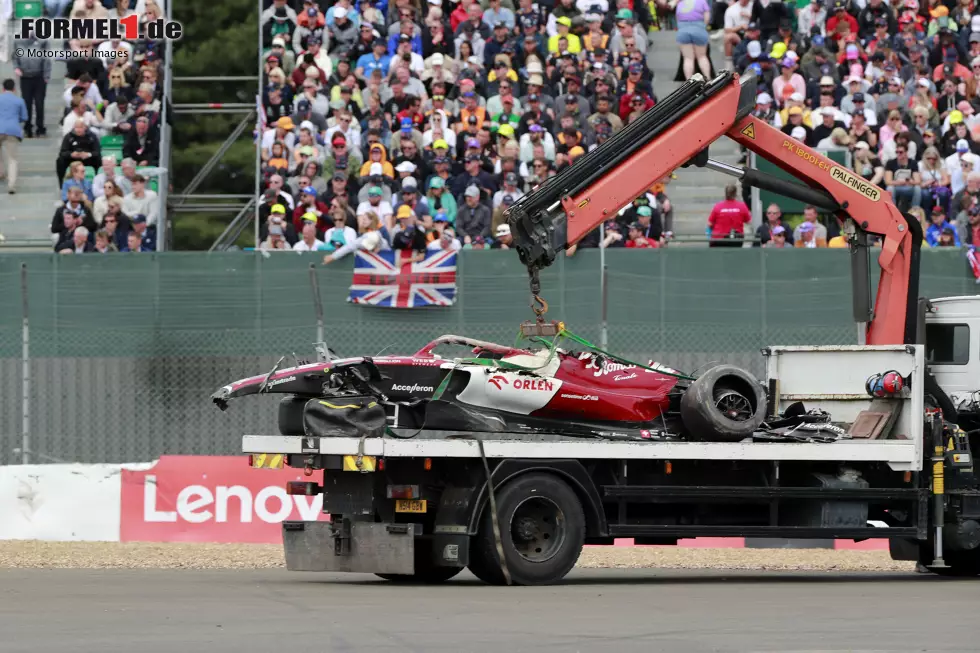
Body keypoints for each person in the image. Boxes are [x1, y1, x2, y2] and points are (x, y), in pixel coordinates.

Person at [0, 79, 28, 195]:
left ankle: (1, 172)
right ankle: (11, 185)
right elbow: (24, 117)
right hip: (12, 130)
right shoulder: (19, 100)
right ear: (14, 89)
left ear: (3, 88)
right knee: (12, 159)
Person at [674, 0, 713, 80]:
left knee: (688, 58)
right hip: (699, 29)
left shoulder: (680, 3)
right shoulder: (702, 2)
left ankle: (689, 81)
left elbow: (677, 19)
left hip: (683, 30)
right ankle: (708, 79)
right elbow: (707, 18)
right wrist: (703, 27)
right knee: (702, 56)